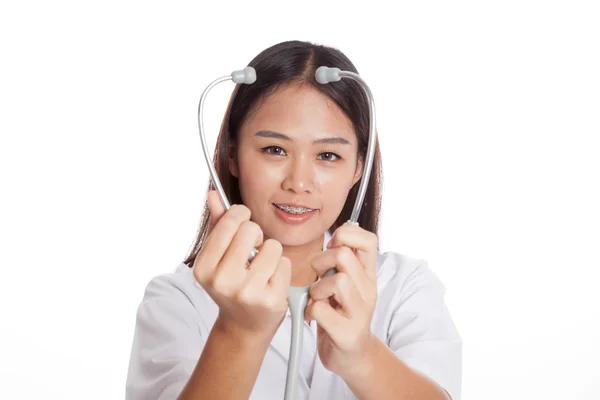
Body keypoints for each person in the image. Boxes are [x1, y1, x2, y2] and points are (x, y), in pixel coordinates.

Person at [125, 40, 462, 400]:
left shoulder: (405, 287)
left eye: (328, 155)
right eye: (275, 150)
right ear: (232, 155)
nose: (298, 183)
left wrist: (361, 355)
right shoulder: (177, 302)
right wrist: (239, 333)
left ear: (357, 169)